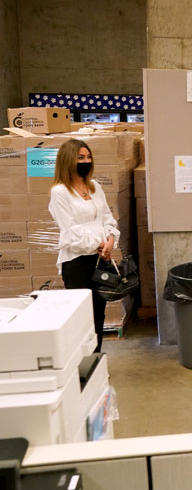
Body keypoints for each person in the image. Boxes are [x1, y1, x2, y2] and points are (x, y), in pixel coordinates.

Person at [48, 138, 120, 353]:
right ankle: (81, 362)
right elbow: (69, 230)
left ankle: (95, 360)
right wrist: (97, 245)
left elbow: (107, 216)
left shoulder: (94, 186)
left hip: (101, 259)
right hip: (77, 262)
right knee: (83, 316)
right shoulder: (60, 192)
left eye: (88, 157)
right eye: (80, 157)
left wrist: (110, 239)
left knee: (99, 312)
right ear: (68, 160)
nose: (86, 161)